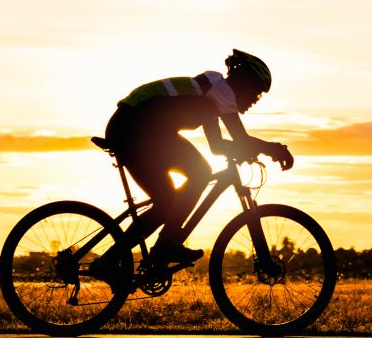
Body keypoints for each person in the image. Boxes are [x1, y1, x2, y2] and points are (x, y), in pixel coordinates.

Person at [92, 49, 293, 273]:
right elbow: (240, 139)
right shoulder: (221, 92)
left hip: (138, 129)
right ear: (244, 84)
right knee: (198, 175)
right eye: (256, 94)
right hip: (136, 129)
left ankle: (110, 261)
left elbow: (216, 146)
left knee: (165, 203)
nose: (255, 101)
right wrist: (275, 149)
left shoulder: (209, 93)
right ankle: (165, 245)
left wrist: (246, 150)